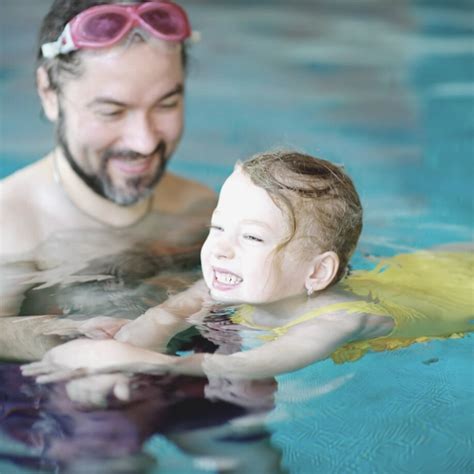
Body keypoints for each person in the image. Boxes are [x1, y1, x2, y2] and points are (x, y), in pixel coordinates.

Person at [21, 150, 474, 391]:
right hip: (405, 272)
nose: (220, 249)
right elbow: (162, 318)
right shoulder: (229, 278)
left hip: (454, 292)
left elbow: (259, 363)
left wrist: (139, 361)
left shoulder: (340, 320)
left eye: (252, 237)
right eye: (217, 227)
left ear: (317, 274)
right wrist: (113, 353)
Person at [0, 1, 216, 358]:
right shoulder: (9, 225)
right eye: (112, 111)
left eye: (166, 104)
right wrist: (57, 334)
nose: (144, 141)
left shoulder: (199, 207)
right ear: (49, 94)